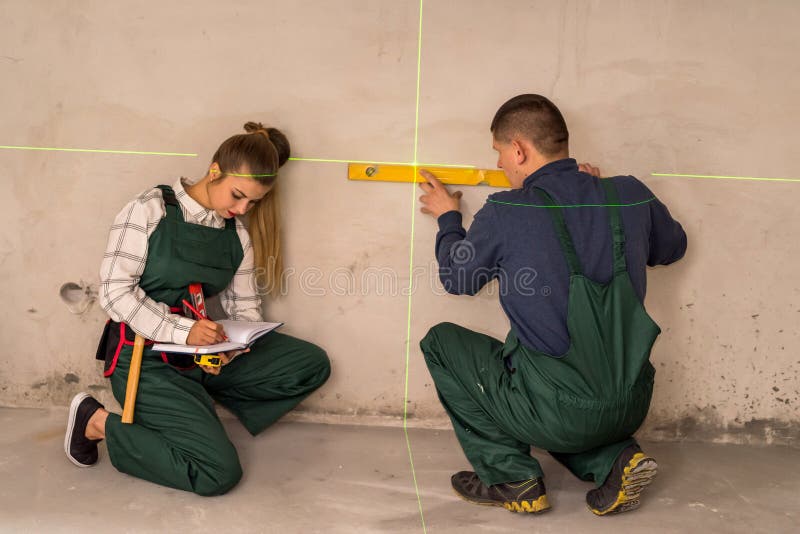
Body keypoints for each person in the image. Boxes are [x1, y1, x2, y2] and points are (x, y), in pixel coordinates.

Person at [417, 94, 687, 516]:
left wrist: (448, 218)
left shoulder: (508, 209)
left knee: (441, 343)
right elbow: (672, 247)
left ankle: (512, 478)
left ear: (519, 149)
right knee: (543, 373)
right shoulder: (629, 193)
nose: (501, 165)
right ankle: (613, 458)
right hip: (631, 402)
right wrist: (604, 205)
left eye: (500, 153)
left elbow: (457, 278)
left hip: (557, 410)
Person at [64, 122, 331, 496]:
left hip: (203, 356)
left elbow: (245, 305)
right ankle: (95, 421)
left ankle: (192, 409)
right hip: (146, 358)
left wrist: (234, 347)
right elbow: (115, 292)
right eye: (238, 196)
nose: (241, 209)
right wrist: (182, 330)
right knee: (216, 473)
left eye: (253, 203)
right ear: (215, 170)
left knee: (310, 364)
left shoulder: (235, 233)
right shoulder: (148, 209)